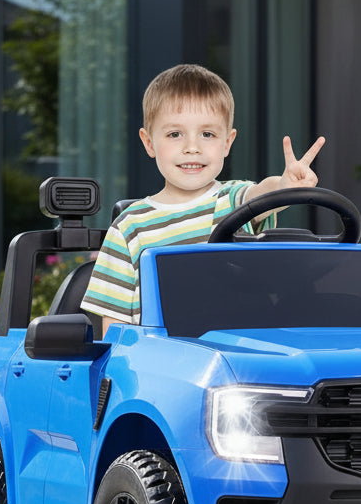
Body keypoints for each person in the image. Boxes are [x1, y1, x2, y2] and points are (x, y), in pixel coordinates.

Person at [81, 63, 325, 336]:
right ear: (149, 143)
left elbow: (262, 196)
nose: (192, 148)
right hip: (161, 366)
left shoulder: (233, 200)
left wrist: (284, 186)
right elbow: (114, 329)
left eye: (207, 134)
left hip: (244, 359)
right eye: (175, 134)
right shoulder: (129, 227)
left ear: (227, 143)